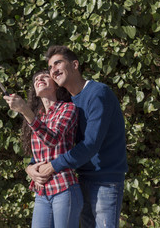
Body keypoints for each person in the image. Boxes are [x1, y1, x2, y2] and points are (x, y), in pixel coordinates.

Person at [26, 46, 128, 227]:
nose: (53, 70)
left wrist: (52, 166)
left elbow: (90, 144)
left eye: (58, 63)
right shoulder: (67, 103)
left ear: (74, 65)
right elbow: (54, 142)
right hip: (80, 178)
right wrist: (31, 167)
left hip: (105, 180)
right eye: (50, 67)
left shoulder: (98, 93)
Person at [3, 70, 83, 228]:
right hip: (42, 192)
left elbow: (53, 139)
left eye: (45, 76)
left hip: (64, 187)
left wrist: (26, 111)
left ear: (55, 85)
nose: (39, 78)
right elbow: (37, 156)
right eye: (36, 79)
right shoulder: (38, 118)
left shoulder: (68, 109)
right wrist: (29, 169)